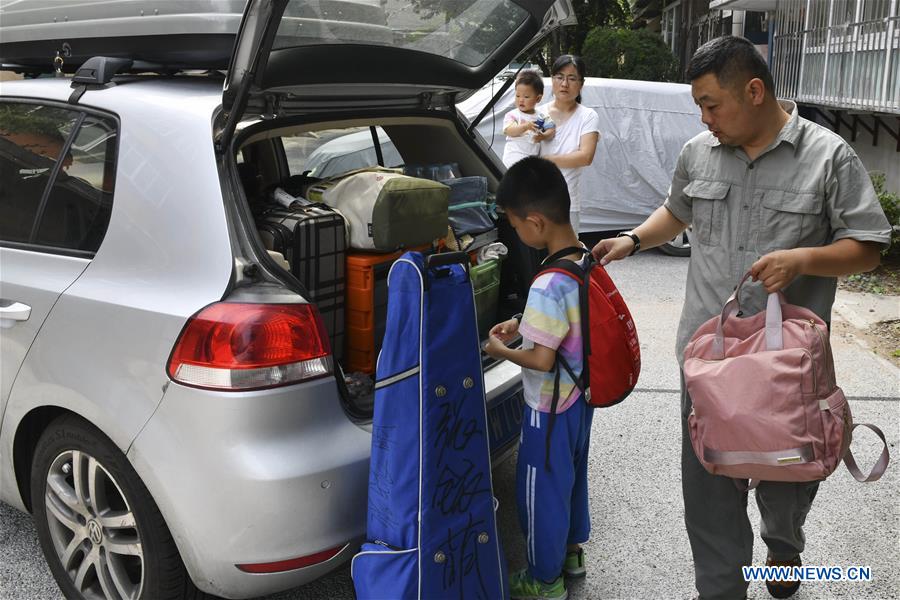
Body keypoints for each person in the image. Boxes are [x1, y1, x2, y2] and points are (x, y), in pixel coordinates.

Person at [591, 36, 891, 600]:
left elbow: (870, 245)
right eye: (699, 107)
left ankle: (783, 552)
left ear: (754, 91)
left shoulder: (829, 156)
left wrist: (806, 259)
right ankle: (722, 588)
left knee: (785, 482)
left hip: (787, 368)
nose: (705, 119)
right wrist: (633, 239)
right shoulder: (698, 153)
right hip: (710, 360)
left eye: (711, 104)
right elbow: (677, 210)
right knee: (708, 483)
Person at [485, 156, 594, 600]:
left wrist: (499, 350)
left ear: (535, 221)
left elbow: (543, 360)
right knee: (570, 477)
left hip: (549, 407)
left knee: (540, 493)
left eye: (514, 226)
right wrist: (520, 319)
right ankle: (570, 554)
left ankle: (544, 580)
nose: (515, 234)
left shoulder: (547, 283)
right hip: (581, 397)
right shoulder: (583, 257)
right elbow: (568, 321)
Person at [537, 55, 600, 235]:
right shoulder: (538, 114)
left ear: (581, 84)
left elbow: (585, 157)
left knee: (565, 258)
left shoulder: (587, 116)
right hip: (534, 200)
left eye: (572, 78)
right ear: (552, 79)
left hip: (566, 203)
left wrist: (545, 161)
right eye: (559, 77)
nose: (564, 84)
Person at [502, 70, 546, 168]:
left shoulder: (541, 116)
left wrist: (544, 136)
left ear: (538, 98)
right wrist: (526, 126)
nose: (521, 100)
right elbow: (509, 131)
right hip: (513, 157)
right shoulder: (512, 115)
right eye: (517, 95)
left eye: (526, 97)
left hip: (532, 160)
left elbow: (551, 129)